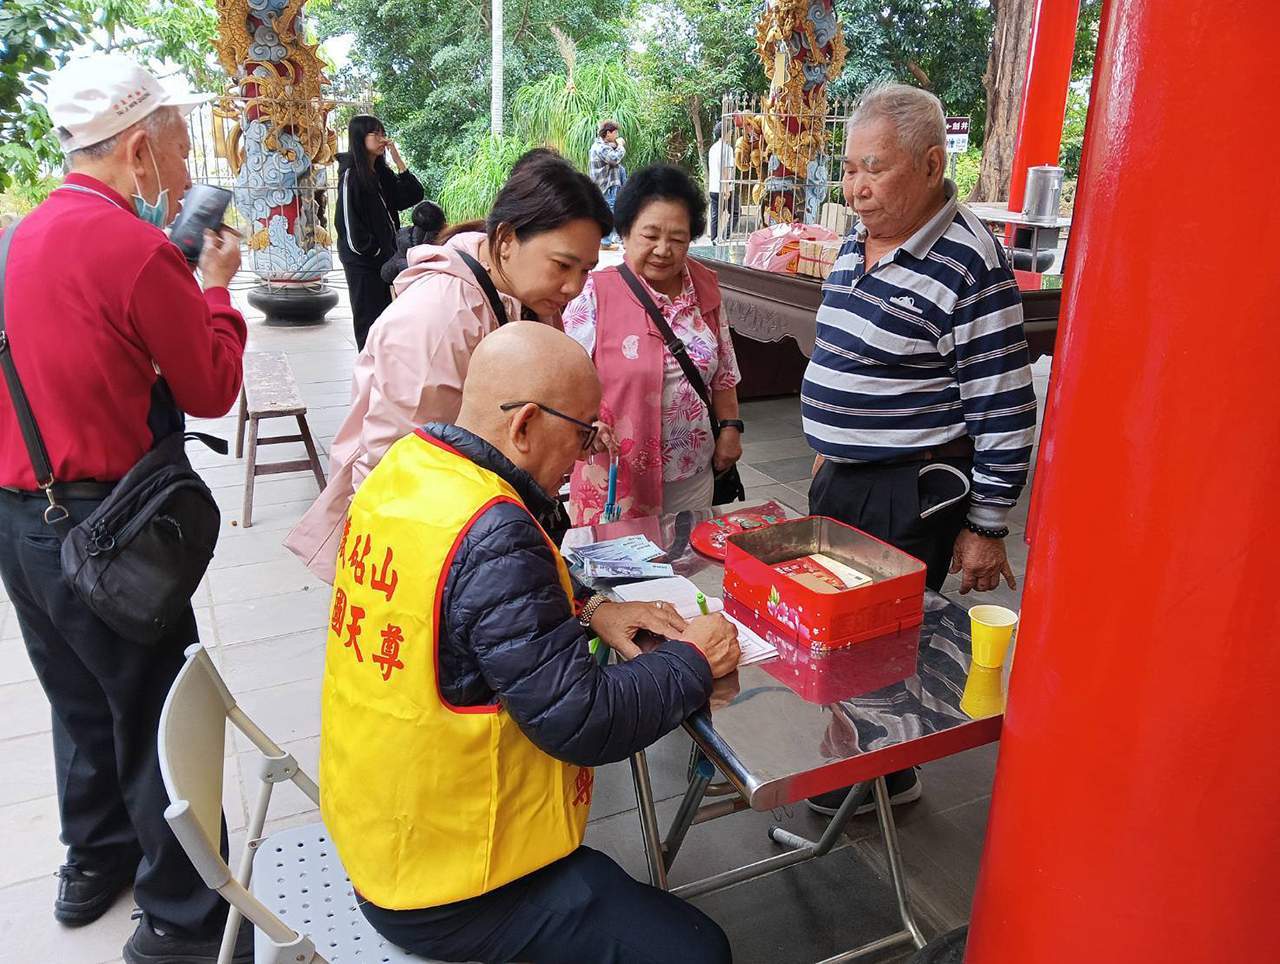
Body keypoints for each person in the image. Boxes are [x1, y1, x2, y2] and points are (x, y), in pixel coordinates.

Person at [320, 321, 739, 963]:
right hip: (449, 883)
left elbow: (467, 604)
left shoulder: (405, 470)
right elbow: (583, 719)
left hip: (381, 827)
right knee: (699, 952)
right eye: (583, 434)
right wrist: (694, 657)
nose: (584, 457)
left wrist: (591, 607)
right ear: (525, 426)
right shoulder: (494, 529)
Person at [0, 54, 250, 962]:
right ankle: (184, 920)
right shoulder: (137, 249)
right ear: (138, 147)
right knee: (158, 716)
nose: (182, 165)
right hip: (109, 530)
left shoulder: (15, 239)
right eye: (177, 145)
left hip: (20, 522)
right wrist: (216, 290)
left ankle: (93, 861)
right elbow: (211, 387)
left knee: (77, 696)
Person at [801, 83, 1036, 816]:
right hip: (843, 479)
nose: (856, 188)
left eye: (874, 168)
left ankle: (878, 772)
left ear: (932, 164)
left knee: (880, 637)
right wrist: (830, 447)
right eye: (849, 169)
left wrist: (988, 526)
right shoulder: (857, 239)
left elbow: (1004, 405)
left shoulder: (970, 262)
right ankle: (868, 757)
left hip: (907, 491)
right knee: (837, 627)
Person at [285, 154, 612, 582]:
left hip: (479, 525)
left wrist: (573, 431)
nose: (574, 287)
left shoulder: (532, 300)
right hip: (426, 540)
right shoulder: (440, 315)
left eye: (586, 270)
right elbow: (392, 462)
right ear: (506, 239)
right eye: (562, 265)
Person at [565, 164, 744, 524]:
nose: (663, 250)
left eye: (677, 239)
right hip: (617, 475)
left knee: (686, 552)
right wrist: (583, 424)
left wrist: (730, 428)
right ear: (625, 232)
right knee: (620, 557)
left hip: (692, 470)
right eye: (650, 235)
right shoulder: (594, 293)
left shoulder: (705, 288)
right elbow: (561, 380)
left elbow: (723, 372)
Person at [336, 114, 424, 350]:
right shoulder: (351, 175)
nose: (381, 138)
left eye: (382, 132)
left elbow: (413, 195)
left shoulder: (382, 174)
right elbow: (347, 223)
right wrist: (372, 249)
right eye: (374, 133)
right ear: (359, 137)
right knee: (368, 320)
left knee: (386, 319)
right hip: (362, 262)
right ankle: (367, 367)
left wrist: (397, 160)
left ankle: (382, 366)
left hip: (385, 260)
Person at [379, 198, 446, 285]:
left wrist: (400, 264)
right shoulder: (444, 245)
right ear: (442, 224)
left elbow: (385, 274)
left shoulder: (404, 242)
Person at [589, 120, 626, 249]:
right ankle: (605, 243)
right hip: (606, 186)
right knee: (609, 213)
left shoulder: (602, 145)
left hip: (606, 185)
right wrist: (620, 146)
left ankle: (605, 241)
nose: (617, 136)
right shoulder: (601, 147)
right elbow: (614, 158)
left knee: (608, 211)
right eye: (615, 133)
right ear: (608, 133)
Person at [707, 120, 738, 242]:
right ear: (726, 133)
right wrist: (727, 189)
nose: (731, 134)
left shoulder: (713, 148)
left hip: (714, 187)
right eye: (730, 132)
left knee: (716, 214)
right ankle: (725, 236)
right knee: (736, 212)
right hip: (725, 187)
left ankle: (714, 238)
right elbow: (725, 170)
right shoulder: (727, 149)